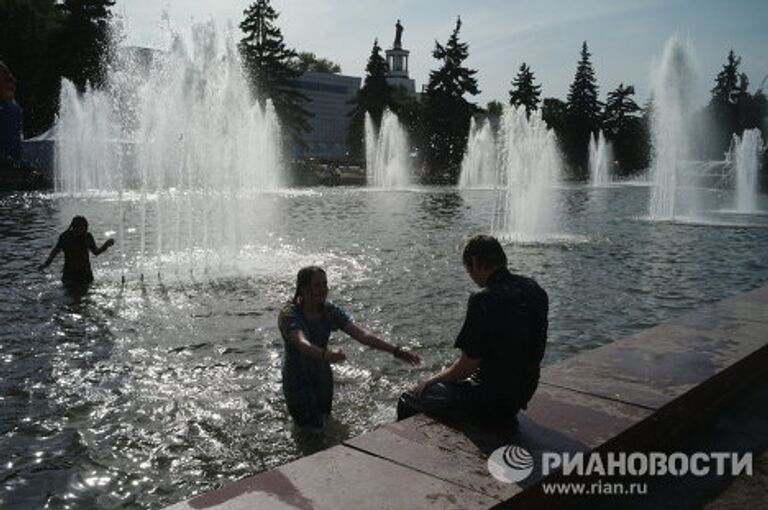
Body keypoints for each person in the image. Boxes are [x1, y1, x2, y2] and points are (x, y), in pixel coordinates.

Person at [397, 235, 548, 425]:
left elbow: (466, 367)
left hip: (489, 401)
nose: (473, 278)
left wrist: (430, 381)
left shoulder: (483, 299)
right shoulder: (535, 289)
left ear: (475, 262)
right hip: (522, 393)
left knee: (409, 398)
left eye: (469, 271)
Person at [279, 266, 420, 430]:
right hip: (297, 379)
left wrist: (396, 350)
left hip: (321, 375)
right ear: (303, 288)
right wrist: (327, 354)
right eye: (317, 285)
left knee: (325, 420)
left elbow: (363, 336)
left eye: (325, 284)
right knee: (308, 429)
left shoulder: (329, 311)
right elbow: (302, 343)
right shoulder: (289, 314)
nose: (323, 289)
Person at [39, 216, 115, 286]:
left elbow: (95, 252)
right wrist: (45, 265)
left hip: (85, 273)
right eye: (82, 229)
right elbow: (54, 252)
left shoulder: (87, 236)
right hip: (69, 274)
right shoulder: (65, 237)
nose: (84, 231)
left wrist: (106, 245)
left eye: (85, 228)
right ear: (74, 227)